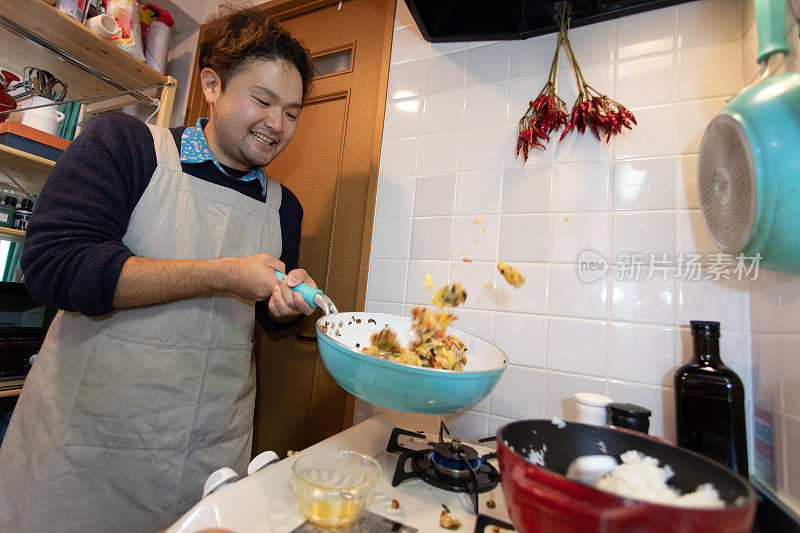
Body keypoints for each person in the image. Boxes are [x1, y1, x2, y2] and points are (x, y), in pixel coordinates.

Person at [0, 6, 316, 532]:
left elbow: (265, 320)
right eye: (263, 101)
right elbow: (53, 268)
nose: (277, 125)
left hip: (210, 459)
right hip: (86, 457)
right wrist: (221, 274)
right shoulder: (126, 146)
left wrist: (287, 306)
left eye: (292, 112)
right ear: (211, 85)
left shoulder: (285, 208)